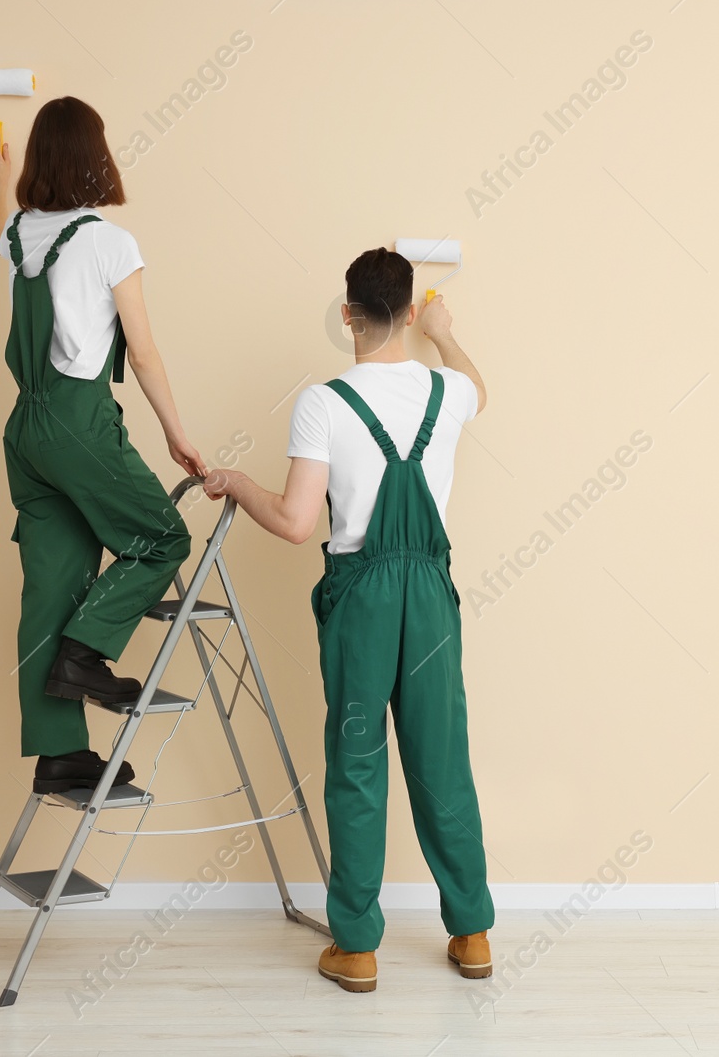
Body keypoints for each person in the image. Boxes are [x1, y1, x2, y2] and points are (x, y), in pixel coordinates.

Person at [204, 248, 494, 993]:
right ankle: (472, 933)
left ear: (347, 316)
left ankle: (358, 947)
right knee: (442, 758)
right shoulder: (448, 391)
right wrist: (443, 330)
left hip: (363, 597)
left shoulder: (325, 402)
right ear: (407, 308)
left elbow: (299, 522)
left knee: (359, 763)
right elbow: (479, 387)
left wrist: (237, 483)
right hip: (430, 595)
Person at [0, 96, 206, 794]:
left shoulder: (22, 233)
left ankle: (60, 754)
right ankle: (83, 654)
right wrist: (178, 436)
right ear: (94, 156)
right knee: (161, 539)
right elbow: (142, 355)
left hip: (26, 431)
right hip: (79, 422)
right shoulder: (109, 241)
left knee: (51, 584)